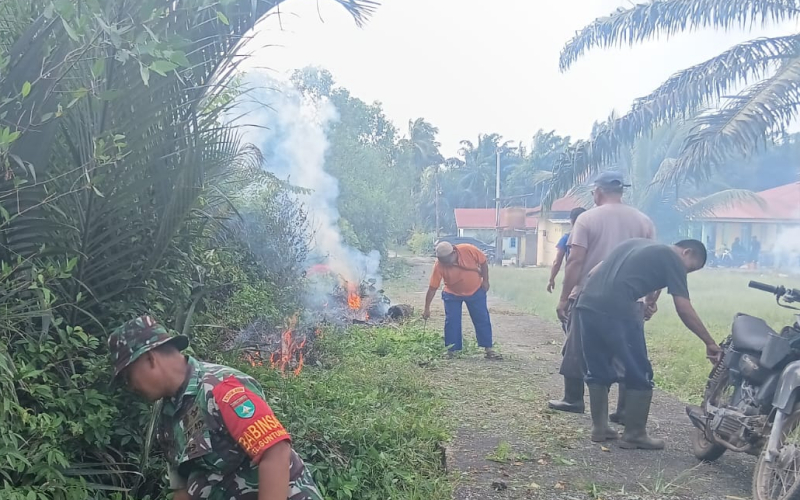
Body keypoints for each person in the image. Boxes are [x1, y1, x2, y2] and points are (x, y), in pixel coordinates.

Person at [108, 315, 322, 500]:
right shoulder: (167, 419)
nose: (130, 387)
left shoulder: (220, 388)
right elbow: (183, 489)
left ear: (149, 358)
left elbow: (275, 452)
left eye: (128, 377)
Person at [575, 238, 722, 449]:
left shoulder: (635, 244)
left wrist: (650, 300)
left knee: (598, 367)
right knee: (639, 371)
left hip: (587, 304)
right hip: (618, 308)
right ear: (686, 252)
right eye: (691, 269)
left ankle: (600, 428)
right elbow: (683, 307)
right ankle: (634, 434)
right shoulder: (673, 258)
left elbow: (592, 273)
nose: (685, 274)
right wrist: (709, 342)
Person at [549, 171, 655, 421]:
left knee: (577, 347)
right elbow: (652, 264)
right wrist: (650, 299)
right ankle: (624, 410)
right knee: (627, 352)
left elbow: (575, 261)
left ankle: (574, 399)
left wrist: (564, 297)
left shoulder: (587, 219)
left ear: (598, 191)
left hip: (589, 296)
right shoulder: (643, 221)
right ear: (621, 191)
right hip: (631, 299)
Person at [423, 241, 502, 359]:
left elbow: (483, 263)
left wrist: (485, 281)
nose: (444, 262)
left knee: (482, 319)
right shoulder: (439, 265)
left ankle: (488, 349)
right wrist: (426, 308)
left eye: (446, 259)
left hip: (476, 290)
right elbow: (432, 288)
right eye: (441, 260)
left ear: (453, 253)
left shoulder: (468, 250)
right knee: (452, 322)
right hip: (452, 294)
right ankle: (451, 351)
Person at [547, 207, 587, 297]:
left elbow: (557, 261)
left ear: (571, 221)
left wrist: (551, 279)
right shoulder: (592, 237)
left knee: (566, 305)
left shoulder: (566, 238)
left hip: (572, 278)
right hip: (590, 279)